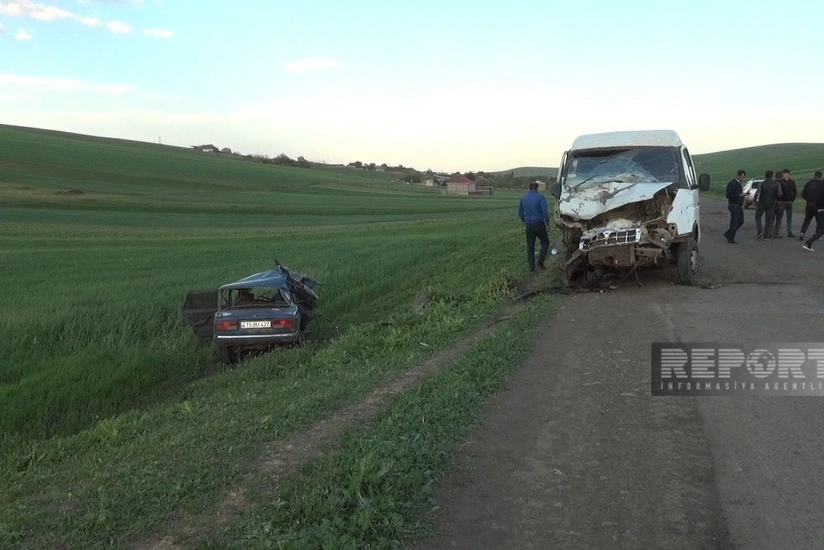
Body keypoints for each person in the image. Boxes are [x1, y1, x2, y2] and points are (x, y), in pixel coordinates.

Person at [518, 181, 551, 271]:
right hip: (539, 223)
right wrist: (547, 223)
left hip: (529, 225)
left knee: (530, 245)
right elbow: (544, 211)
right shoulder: (540, 197)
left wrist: (525, 220)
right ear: (537, 188)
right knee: (545, 242)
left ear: (529, 188)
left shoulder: (523, 198)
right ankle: (540, 261)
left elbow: (520, 212)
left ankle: (531, 267)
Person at [754, 170, 782, 239]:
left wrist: (755, 201)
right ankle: (766, 235)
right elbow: (780, 194)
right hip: (771, 203)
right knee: (769, 219)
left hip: (762, 202)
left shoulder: (762, 184)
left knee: (757, 216)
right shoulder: (776, 184)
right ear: (772, 176)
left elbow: (757, 193)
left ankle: (760, 230)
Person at [801, 172, 824, 251]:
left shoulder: (809, 184)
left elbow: (803, 194)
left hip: (811, 206)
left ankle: (803, 233)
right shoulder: (822, 185)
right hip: (821, 208)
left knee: (807, 220)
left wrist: (809, 201)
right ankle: (811, 241)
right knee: (821, 228)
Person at [723, 170, 746, 243]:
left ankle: (728, 233)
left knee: (741, 221)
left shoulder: (739, 184)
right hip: (734, 205)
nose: (743, 178)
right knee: (734, 222)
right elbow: (728, 195)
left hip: (738, 205)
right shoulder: (732, 184)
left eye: (744, 177)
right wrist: (739, 195)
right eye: (742, 177)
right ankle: (731, 238)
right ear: (738, 176)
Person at [774, 168, 797, 237]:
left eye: (786, 174)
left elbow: (794, 191)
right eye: (783, 174)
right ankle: (777, 231)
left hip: (789, 201)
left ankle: (789, 232)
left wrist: (793, 198)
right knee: (779, 217)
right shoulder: (780, 182)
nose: (784, 175)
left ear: (788, 174)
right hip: (781, 202)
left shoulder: (792, 182)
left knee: (789, 217)